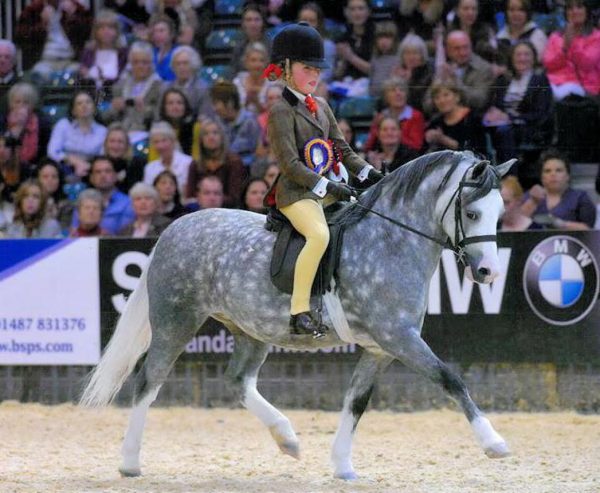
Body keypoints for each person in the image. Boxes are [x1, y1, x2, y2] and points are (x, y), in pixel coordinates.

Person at [266, 22, 383, 337]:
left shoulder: (323, 107)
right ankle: (299, 311)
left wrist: (369, 173)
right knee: (318, 235)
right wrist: (328, 186)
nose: (315, 76)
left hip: (328, 189)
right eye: (307, 69)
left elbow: (343, 150)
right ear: (287, 69)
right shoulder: (281, 111)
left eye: (318, 70)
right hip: (297, 194)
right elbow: (289, 164)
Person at [484, 41, 554, 171]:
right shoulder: (503, 79)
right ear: (512, 58)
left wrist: (509, 117)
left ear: (533, 58)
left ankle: (510, 177)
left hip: (528, 127)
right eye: (518, 55)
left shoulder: (540, 80)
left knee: (504, 131)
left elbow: (541, 114)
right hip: (500, 125)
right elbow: (493, 104)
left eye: (527, 54)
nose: (522, 58)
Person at [520, 150, 596, 230]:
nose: (553, 174)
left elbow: (589, 230)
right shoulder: (530, 196)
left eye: (559, 170)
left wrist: (560, 224)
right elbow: (515, 224)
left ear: (568, 175)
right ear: (541, 177)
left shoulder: (580, 197)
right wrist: (533, 202)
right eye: (547, 171)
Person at [14, 0, 92, 76]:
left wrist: (73, 16)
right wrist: (42, 24)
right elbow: (21, 38)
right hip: (44, 61)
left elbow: (88, 34)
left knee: (82, 75)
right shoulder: (34, 9)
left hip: (71, 60)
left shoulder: (75, 7)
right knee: (38, 75)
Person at [102, 42, 163, 138]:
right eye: (136, 62)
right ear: (130, 64)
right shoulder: (120, 85)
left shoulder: (159, 86)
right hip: (119, 132)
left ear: (151, 64)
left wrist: (145, 110)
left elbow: (161, 116)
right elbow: (105, 116)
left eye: (144, 62)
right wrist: (114, 108)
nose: (140, 66)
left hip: (147, 133)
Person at [542, 0, 600, 100]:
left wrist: (572, 43)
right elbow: (548, 64)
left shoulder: (596, 36)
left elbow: (586, 65)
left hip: (583, 85)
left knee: (559, 95)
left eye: (579, 7)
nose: (574, 11)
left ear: (587, 11)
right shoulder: (556, 36)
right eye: (570, 8)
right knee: (539, 90)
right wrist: (564, 49)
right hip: (555, 82)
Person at [47, 89, 108, 179]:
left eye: (88, 102)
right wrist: (75, 162)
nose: (84, 106)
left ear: (94, 108)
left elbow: (103, 156)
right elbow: (52, 151)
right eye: (79, 103)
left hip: (92, 170)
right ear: (73, 111)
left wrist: (87, 166)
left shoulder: (103, 131)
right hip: (64, 168)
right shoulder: (63, 125)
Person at [185, 118, 246, 207]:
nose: (211, 137)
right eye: (206, 134)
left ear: (222, 137)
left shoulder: (234, 162)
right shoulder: (195, 164)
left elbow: (235, 196)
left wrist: (212, 200)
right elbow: (190, 196)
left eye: (215, 133)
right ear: (201, 140)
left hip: (228, 211)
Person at [433, 30, 495, 113]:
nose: (462, 53)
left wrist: (455, 81)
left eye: (465, 47)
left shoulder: (483, 68)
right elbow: (427, 103)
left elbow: (479, 101)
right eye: (457, 49)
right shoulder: (444, 67)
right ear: (447, 50)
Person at [70, 156, 134, 234]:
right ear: (91, 178)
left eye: (107, 171)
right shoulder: (82, 200)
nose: (103, 175)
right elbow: (74, 231)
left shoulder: (127, 203)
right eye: (98, 172)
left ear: (115, 176)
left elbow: (125, 235)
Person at [425, 79, 487, 155]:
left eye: (446, 95)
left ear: (457, 97)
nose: (442, 100)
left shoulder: (472, 118)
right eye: (437, 97)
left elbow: (476, 152)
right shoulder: (436, 122)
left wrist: (443, 140)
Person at [365, 78, 425, 153]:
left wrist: (393, 137)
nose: (398, 93)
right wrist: (376, 128)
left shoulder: (415, 116)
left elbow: (417, 146)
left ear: (406, 95)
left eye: (402, 90)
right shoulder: (380, 117)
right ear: (386, 96)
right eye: (393, 90)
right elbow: (368, 146)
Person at [209, 81, 261, 168]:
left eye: (216, 103)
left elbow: (257, 153)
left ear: (230, 102)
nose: (214, 108)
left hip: (246, 169)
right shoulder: (217, 122)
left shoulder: (250, 122)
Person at [1, 82, 50, 169]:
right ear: (11, 104)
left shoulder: (42, 122)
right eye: (17, 102)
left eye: (26, 102)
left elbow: (45, 152)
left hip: (34, 167)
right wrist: (17, 128)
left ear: (32, 105)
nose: (21, 106)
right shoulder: (2, 121)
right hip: (6, 167)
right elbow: (3, 150)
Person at [78, 9, 128, 93]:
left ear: (117, 31)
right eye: (102, 28)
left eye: (110, 27)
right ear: (96, 31)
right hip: (91, 96)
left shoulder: (123, 53)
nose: (106, 31)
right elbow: (84, 77)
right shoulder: (88, 52)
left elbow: (124, 79)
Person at [149, 88, 201, 161]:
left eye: (179, 103)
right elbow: (153, 160)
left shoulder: (196, 127)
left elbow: (197, 158)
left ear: (185, 106)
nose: (175, 107)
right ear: (164, 107)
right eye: (170, 103)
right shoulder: (157, 129)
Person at [143, 121, 194, 196]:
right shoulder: (150, 168)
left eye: (164, 140)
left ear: (173, 141)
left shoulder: (188, 163)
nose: (160, 146)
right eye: (156, 142)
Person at [161, 45, 212, 118]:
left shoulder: (203, 88)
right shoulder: (165, 87)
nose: (181, 67)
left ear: (193, 65)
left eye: (185, 63)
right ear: (173, 67)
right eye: (178, 64)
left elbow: (205, 115)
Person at [496, 0, 548, 64]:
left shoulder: (537, 35)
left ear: (527, 13)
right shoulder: (499, 36)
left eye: (521, 10)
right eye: (512, 10)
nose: (516, 14)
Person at [392, 33, 434, 113]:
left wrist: (407, 83)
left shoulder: (429, 72)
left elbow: (419, 103)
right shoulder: (397, 71)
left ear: (422, 55)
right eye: (407, 53)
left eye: (415, 53)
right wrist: (394, 81)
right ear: (402, 56)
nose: (411, 57)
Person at [335, 0, 375, 82]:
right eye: (352, 9)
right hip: (347, 84)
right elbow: (337, 74)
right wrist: (343, 60)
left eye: (361, 8)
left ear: (368, 11)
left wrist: (351, 57)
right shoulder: (342, 39)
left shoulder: (377, 36)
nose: (357, 13)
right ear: (346, 12)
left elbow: (376, 71)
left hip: (371, 84)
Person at [297, 2, 336, 83]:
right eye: (304, 20)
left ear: (319, 23)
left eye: (312, 21)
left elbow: (327, 74)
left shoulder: (327, 45)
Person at [103, 123, 146, 193]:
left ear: (127, 145)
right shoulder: (99, 164)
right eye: (112, 141)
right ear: (106, 144)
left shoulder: (137, 164)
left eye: (120, 142)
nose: (115, 146)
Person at [230, 4, 270, 74]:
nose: (253, 24)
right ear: (243, 24)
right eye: (248, 20)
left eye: (257, 20)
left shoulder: (272, 47)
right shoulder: (238, 48)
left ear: (263, 23)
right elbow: (234, 74)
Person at [36, 158, 73, 232]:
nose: (50, 180)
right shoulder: (31, 200)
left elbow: (64, 231)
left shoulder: (66, 205)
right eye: (45, 177)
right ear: (38, 179)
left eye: (54, 177)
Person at [233, 42, 271, 114]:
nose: (257, 64)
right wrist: (246, 102)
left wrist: (257, 103)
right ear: (246, 63)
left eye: (261, 60)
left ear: (266, 63)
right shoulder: (237, 83)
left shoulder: (273, 84)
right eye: (253, 60)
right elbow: (233, 112)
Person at [368, 21, 400, 98]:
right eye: (380, 37)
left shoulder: (398, 59)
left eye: (388, 37)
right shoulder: (375, 58)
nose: (383, 41)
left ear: (394, 40)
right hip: (373, 97)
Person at [149, 14, 178, 82]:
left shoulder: (179, 53)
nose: (157, 35)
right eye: (155, 32)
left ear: (171, 34)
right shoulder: (149, 53)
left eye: (161, 31)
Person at [0, 40, 21, 116]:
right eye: (0, 56)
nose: (2, 60)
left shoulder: (22, 86)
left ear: (14, 61)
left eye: (7, 57)